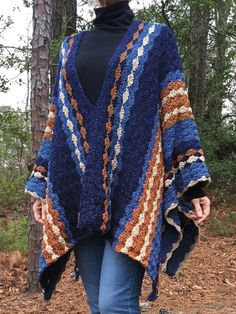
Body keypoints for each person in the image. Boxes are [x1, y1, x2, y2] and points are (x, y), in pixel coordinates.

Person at [25, 0, 211, 313]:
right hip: (78, 191)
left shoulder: (156, 39)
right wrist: (43, 184)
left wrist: (192, 185)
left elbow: (175, 109)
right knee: (98, 304)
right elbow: (57, 121)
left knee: (115, 304)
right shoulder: (69, 47)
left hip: (134, 193)